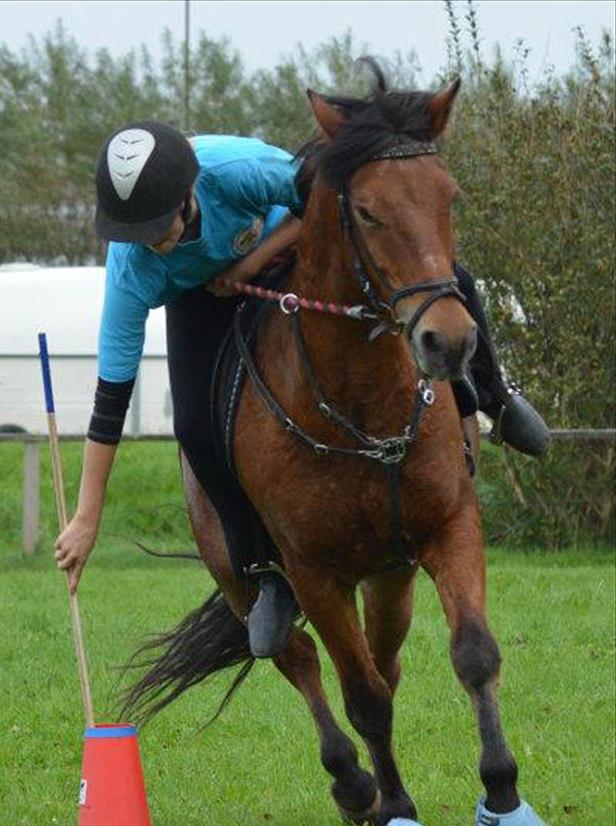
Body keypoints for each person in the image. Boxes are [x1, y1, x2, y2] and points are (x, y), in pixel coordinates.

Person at [54, 120, 549, 658]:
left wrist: (251, 261)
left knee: (452, 278)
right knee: (193, 424)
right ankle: (263, 569)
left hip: (285, 248)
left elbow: (320, 200)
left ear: (189, 191)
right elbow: (112, 395)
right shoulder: (133, 269)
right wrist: (86, 516)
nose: (154, 240)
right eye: (138, 231)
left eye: (159, 224)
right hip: (200, 300)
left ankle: (496, 398)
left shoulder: (236, 169)